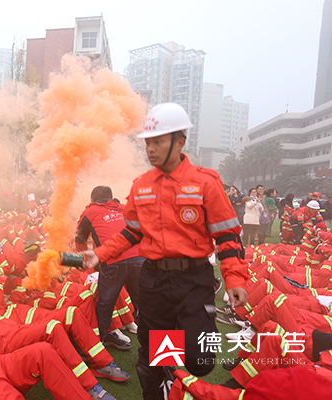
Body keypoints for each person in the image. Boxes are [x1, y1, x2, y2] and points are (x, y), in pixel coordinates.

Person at [80, 102, 249, 400]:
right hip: (154, 280)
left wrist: (234, 279)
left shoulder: (206, 182)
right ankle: (162, 385)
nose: (151, 149)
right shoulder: (141, 186)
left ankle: (182, 353)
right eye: (148, 142)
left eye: (158, 141)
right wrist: (101, 254)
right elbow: (131, 232)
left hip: (194, 280)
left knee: (201, 361)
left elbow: (228, 236)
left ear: (180, 142)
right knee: (153, 361)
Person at [75, 185, 143, 349]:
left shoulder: (89, 212)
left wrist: (82, 259)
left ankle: (99, 343)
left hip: (113, 263)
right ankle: (166, 358)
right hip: (140, 259)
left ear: (92, 200)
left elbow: (80, 238)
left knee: (105, 304)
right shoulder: (125, 208)